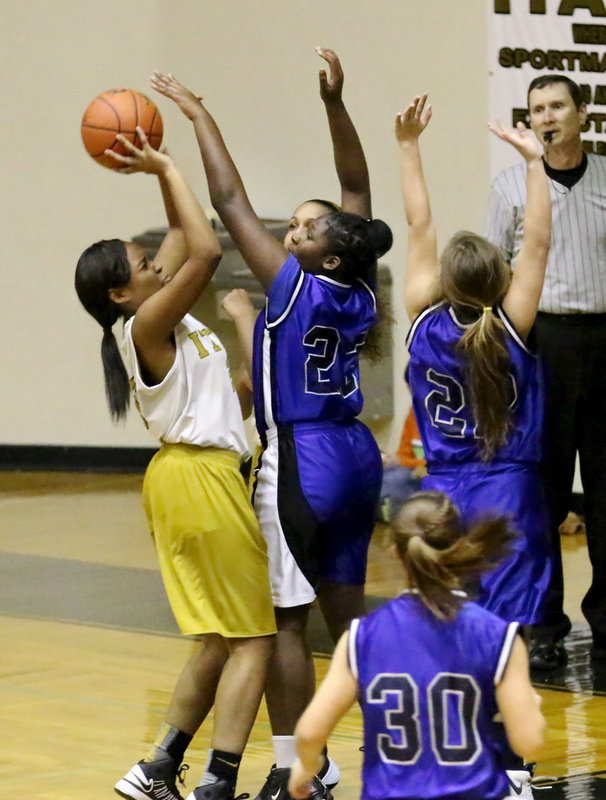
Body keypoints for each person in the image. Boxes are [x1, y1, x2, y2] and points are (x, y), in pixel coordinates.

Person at [151, 48, 392, 800]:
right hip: (358, 453)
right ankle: (410, 739)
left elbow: (228, 201)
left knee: (285, 622)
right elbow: (356, 188)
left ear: (329, 249)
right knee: (349, 621)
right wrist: (335, 103)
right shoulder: (359, 289)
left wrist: (198, 115)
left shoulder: (302, 286)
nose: (295, 226)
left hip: (303, 457)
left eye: (309, 225)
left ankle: (302, 768)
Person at [74, 129, 276, 800]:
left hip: (188, 476)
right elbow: (208, 247)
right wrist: (166, 162)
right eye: (143, 262)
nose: (156, 262)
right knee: (254, 640)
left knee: (219, 639)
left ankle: (157, 767)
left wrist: (159, 172)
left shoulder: (150, 313)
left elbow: (186, 242)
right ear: (121, 294)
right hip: (199, 477)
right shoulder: (146, 324)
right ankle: (218, 784)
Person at [397, 95, 551, 793]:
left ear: (445, 283)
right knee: (511, 638)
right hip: (512, 490)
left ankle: (458, 758)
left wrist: (408, 146)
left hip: (447, 493)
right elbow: (540, 244)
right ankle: (515, 772)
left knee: (457, 633)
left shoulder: (423, 315)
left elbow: (419, 222)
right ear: (497, 279)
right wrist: (534, 164)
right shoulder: (514, 320)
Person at [287, 491, 546, 800]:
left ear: (395, 553)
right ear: (458, 545)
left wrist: (306, 765)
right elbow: (529, 742)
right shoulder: (498, 635)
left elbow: (309, 732)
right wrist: (532, 709)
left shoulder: (361, 636)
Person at [485, 74, 606, 670]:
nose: (547, 116)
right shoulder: (510, 186)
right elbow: (490, 275)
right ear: (528, 121)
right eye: (537, 109)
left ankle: (605, 622)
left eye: (558, 105)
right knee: (544, 491)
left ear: (582, 114)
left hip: (604, 336)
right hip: (542, 342)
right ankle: (546, 623)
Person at [378, 406, 426, 522]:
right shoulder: (414, 411)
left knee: (395, 479)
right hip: (413, 468)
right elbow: (405, 452)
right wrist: (392, 459)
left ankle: (399, 521)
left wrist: (402, 461)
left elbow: (444, 461)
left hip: (429, 471)